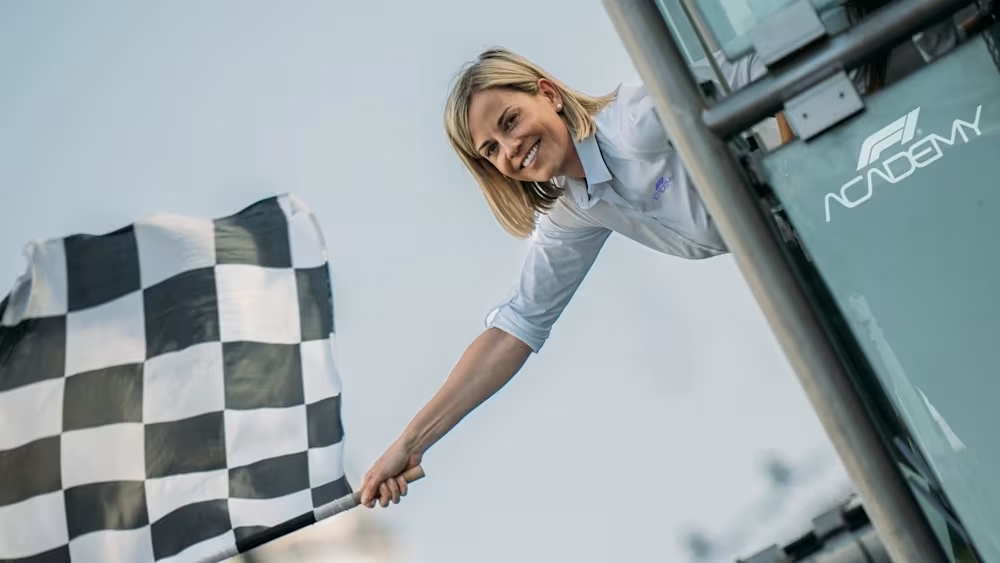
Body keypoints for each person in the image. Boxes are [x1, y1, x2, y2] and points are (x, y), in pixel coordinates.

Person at [357, 45, 768, 509]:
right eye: (490, 149)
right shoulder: (576, 207)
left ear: (548, 94)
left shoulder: (634, 123)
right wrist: (411, 444)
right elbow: (514, 328)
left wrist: (801, 165)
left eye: (509, 121)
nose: (509, 148)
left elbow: (756, 65)